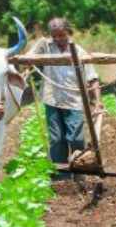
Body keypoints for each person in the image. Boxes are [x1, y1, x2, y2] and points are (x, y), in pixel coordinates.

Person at [32, 18, 101, 175]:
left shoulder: (79, 52)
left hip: (74, 101)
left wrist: (98, 102)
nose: (58, 39)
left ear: (68, 33)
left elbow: (93, 78)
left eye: (61, 35)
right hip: (52, 99)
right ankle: (61, 176)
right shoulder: (45, 47)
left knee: (76, 139)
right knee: (56, 140)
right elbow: (29, 59)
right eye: (54, 36)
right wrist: (40, 42)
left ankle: (80, 171)